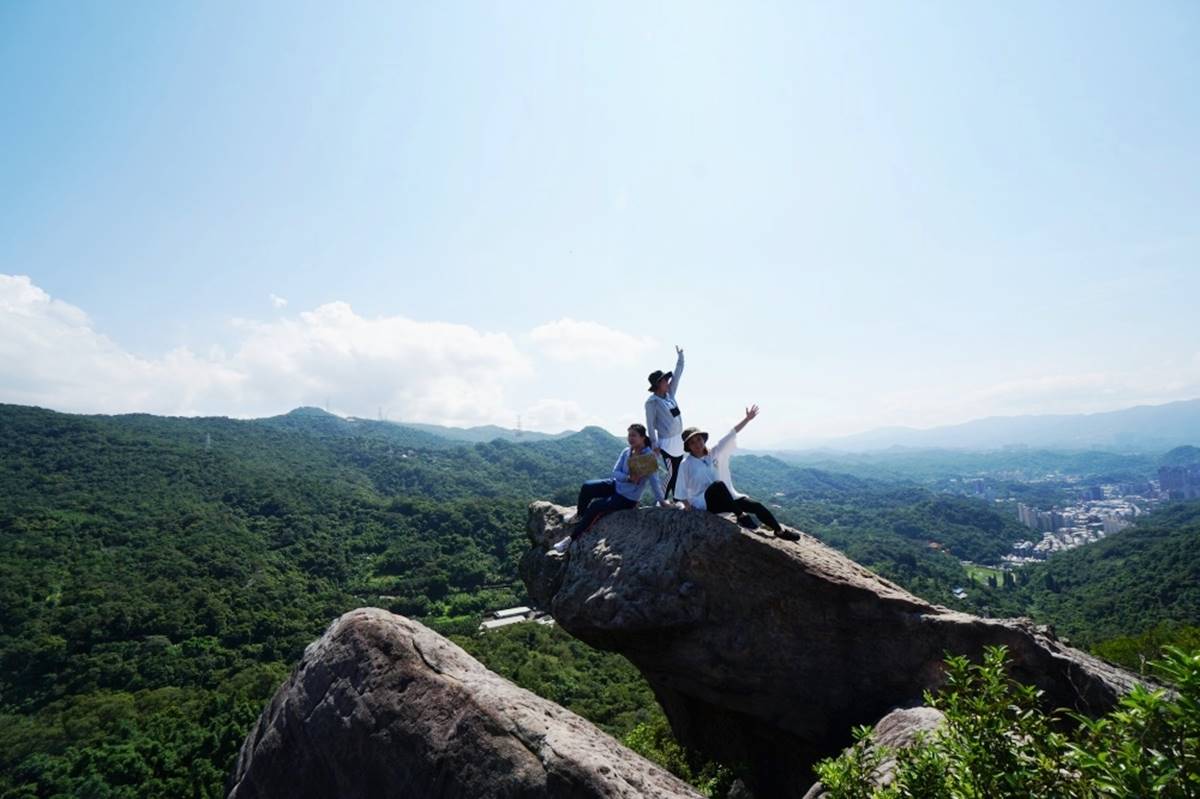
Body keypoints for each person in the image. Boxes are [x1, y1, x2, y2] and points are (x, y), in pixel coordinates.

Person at [676, 405, 800, 541]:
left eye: (699, 439)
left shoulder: (713, 453)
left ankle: (779, 531)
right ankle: (741, 516)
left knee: (756, 506)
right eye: (692, 442)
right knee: (717, 485)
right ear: (688, 447)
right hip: (705, 503)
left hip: (727, 500)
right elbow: (680, 491)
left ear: (703, 440)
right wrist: (689, 510)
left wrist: (747, 419)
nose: (697, 444)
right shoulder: (686, 464)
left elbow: (730, 435)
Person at [553, 423, 671, 553]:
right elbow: (614, 472)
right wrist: (628, 478)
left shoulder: (648, 458)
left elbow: (655, 481)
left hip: (628, 498)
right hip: (616, 485)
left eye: (634, 435)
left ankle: (570, 540)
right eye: (629, 435)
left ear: (643, 437)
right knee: (587, 487)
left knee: (595, 506)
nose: (630, 438)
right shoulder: (626, 451)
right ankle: (580, 515)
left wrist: (661, 501)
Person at [645, 345, 685, 500]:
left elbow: (678, 374)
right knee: (671, 472)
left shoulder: (670, 394)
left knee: (678, 470)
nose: (668, 381)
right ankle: (661, 499)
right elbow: (649, 425)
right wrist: (654, 444)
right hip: (666, 443)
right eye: (665, 380)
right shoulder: (652, 402)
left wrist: (680, 357)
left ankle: (676, 498)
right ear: (658, 384)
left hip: (678, 440)